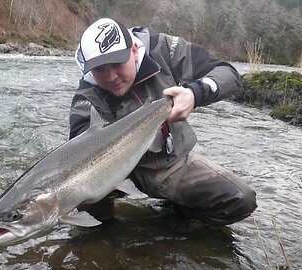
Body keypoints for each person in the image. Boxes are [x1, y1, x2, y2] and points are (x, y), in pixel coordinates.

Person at [70, 18, 257, 226]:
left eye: (117, 64)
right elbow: (78, 148)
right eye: (100, 70)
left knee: (242, 199)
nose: (111, 76)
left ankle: (178, 219)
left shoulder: (163, 49)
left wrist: (195, 94)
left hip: (174, 163)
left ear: (133, 50)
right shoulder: (87, 94)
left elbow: (228, 73)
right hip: (123, 171)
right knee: (82, 195)